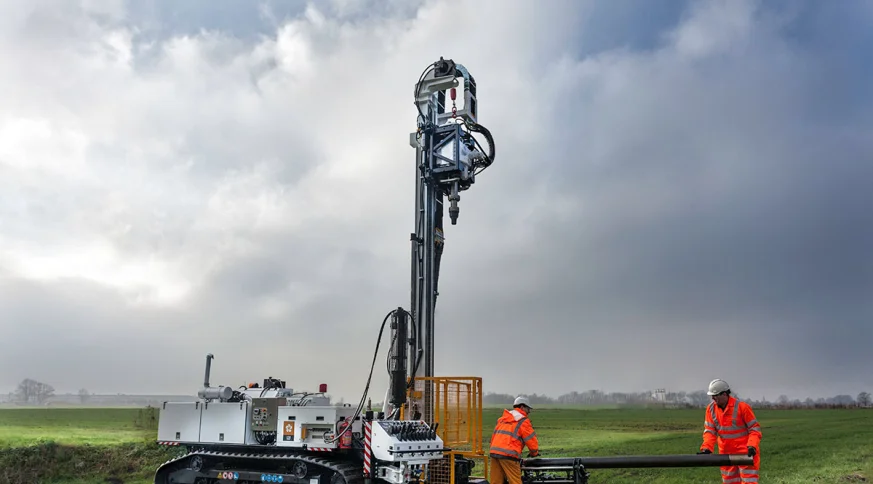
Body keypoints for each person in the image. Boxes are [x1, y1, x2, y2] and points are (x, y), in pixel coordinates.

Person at [697, 379, 762, 483]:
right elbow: (710, 431)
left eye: (715, 395)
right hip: (726, 455)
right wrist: (706, 449)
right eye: (712, 396)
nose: (713, 398)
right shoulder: (711, 409)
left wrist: (752, 446)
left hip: (746, 454)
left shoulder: (742, 407)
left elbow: (754, 429)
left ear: (724, 394)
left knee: (749, 481)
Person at [488, 396, 540, 484]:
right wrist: (534, 453)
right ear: (522, 407)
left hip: (494, 453)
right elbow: (531, 440)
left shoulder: (502, 419)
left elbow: (494, 436)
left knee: (496, 481)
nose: (529, 411)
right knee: (515, 481)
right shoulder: (523, 421)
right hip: (509, 455)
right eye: (528, 409)